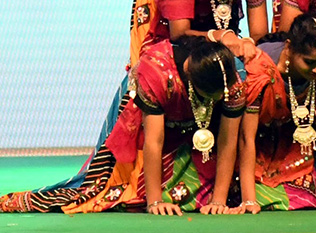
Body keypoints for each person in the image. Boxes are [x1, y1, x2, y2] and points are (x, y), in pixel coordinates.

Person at [0, 37, 246, 214]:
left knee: (225, 197)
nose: (218, 100)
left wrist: (219, 200)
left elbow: (227, 142)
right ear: (192, 81)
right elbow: (154, 141)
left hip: (195, 134)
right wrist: (154, 202)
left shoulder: (232, 81)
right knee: (108, 193)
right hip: (147, 132)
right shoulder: (157, 71)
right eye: (210, 97)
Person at [238, 14, 316, 211]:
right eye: (309, 62)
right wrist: (248, 200)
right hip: (254, 143)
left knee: (306, 197)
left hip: (293, 144)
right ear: (289, 48)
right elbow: (246, 136)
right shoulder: (259, 70)